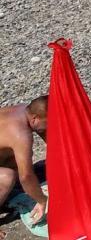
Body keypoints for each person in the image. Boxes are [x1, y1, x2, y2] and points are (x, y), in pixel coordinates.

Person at [1, 96, 49, 229]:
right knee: (8, 177)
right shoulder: (21, 134)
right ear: (35, 119)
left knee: (17, 158)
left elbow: (46, 135)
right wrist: (42, 200)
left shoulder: (24, 109)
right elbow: (26, 176)